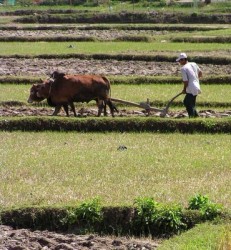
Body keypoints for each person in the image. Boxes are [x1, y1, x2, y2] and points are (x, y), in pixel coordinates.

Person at [176, 52, 202, 118]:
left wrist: (184, 89)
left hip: (191, 88)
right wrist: (195, 80)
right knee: (191, 103)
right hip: (196, 86)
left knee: (186, 102)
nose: (179, 62)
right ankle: (196, 116)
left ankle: (192, 116)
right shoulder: (194, 64)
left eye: (180, 60)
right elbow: (201, 73)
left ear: (184, 60)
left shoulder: (183, 68)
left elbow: (186, 81)